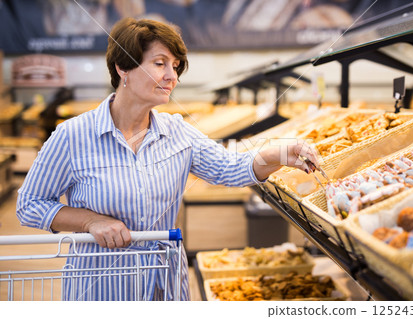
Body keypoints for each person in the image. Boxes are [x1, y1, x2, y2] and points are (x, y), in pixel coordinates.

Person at [16, 17, 320, 301]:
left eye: (175, 66)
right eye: (160, 63)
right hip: (103, 287)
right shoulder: (72, 136)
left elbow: (232, 168)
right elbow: (30, 205)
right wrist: (91, 221)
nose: (171, 76)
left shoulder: (177, 131)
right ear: (123, 67)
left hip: (164, 285)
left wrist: (279, 152)